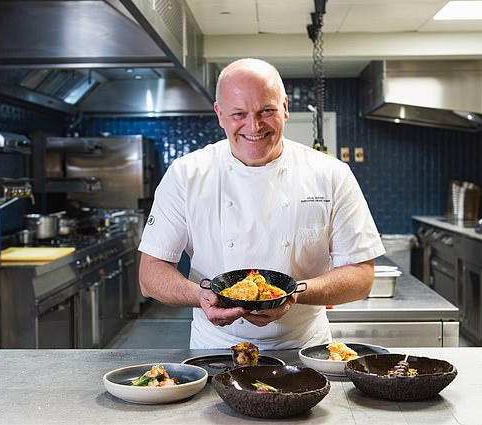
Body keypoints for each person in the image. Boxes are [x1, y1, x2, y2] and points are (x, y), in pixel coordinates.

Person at [138, 58, 385, 350]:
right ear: (219, 114)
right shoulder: (186, 174)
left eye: (266, 110)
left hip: (305, 347)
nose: (253, 126)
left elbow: (361, 275)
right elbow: (150, 274)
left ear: (285, 108)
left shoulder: (331, 174)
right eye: (238, 114)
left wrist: (292, 294)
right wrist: (201, 296)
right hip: (216, 348)